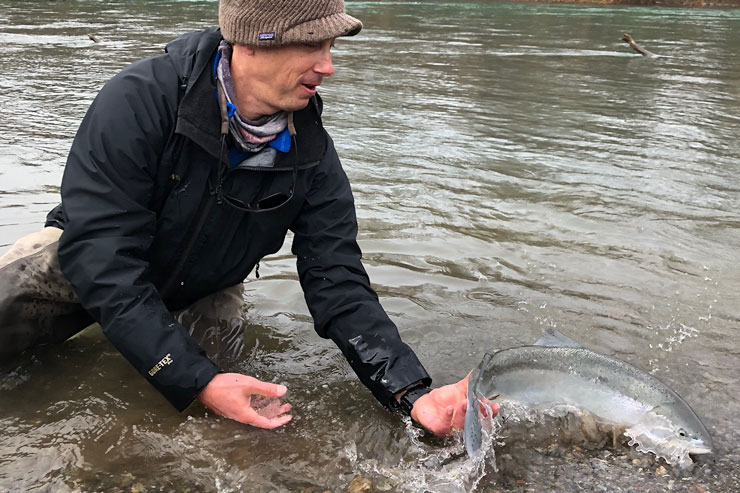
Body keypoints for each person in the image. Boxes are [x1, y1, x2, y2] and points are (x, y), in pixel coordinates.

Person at [0, 0, 497, 435]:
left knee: (231, 421)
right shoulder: (138, 100)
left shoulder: (313, 152)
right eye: (312, 46)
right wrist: (191, 375)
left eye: (331, 48)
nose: (327, 67)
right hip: (82, 262)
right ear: (252, 42)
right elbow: (104, 262)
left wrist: (410, 393)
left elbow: (337, 281)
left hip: (206, 289)